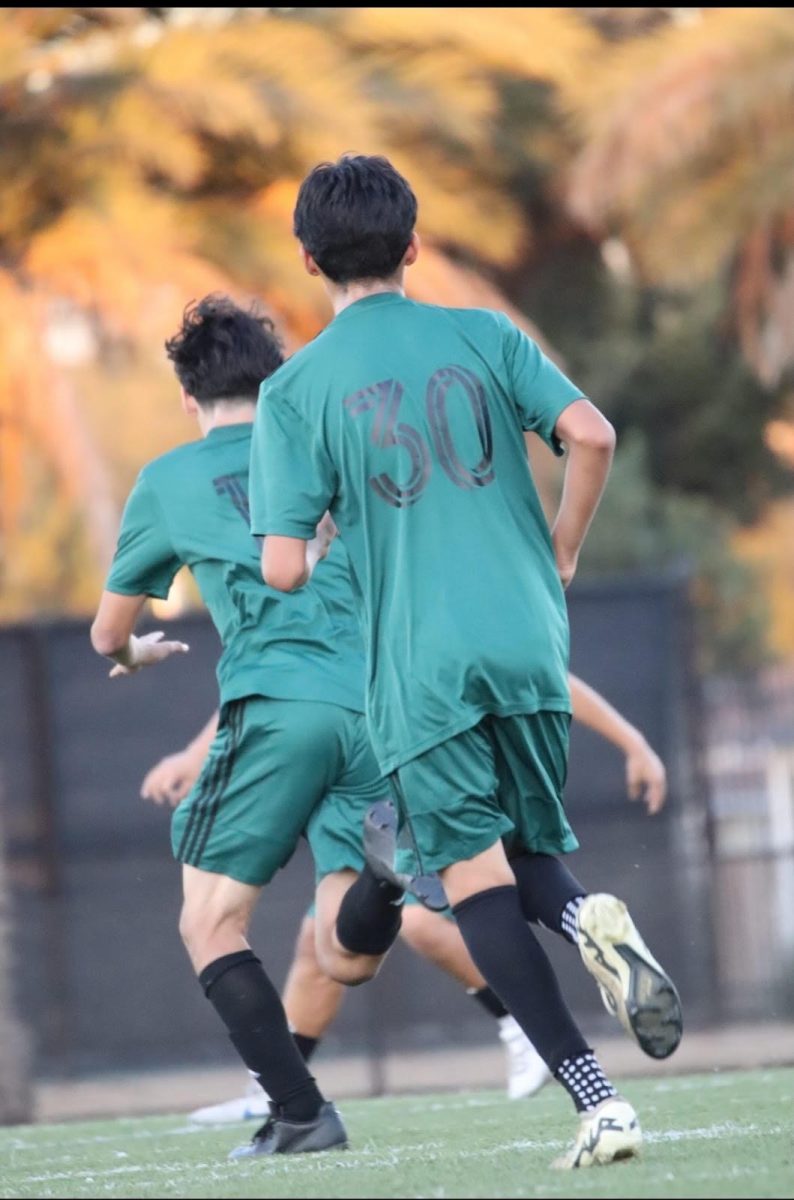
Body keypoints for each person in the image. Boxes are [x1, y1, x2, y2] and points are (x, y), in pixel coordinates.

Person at [249, 154, 682, 1169]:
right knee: (519, 852)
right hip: (530, 638)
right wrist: (561, 546)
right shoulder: (483, 334)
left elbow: (277, 569)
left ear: (307, 260)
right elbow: (590, 433)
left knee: (470, 879)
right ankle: (584, 914)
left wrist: (319, 534)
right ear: (411, 246)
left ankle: (597, 1099)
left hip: (421, 666)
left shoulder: (295, 389)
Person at [90, 296, 413, 1160]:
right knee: (345, 954)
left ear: (188, 399)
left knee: (207, 922)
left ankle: (301, 1114)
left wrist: (133, 656)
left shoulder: (169, 478)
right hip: (376, 707)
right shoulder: (318, 450)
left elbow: (105, 632)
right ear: (276, 384)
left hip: (283, 703)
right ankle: (392, 874)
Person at [140, 679, 668, 1123]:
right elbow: (542, 667)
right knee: (320, 946)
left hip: (386, 755)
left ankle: (528, 1027)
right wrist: (634, 741)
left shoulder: (363, 579)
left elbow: (268, 672)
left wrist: (632, 740)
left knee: (416, 922)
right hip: (384, 755)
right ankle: (275, 1089)